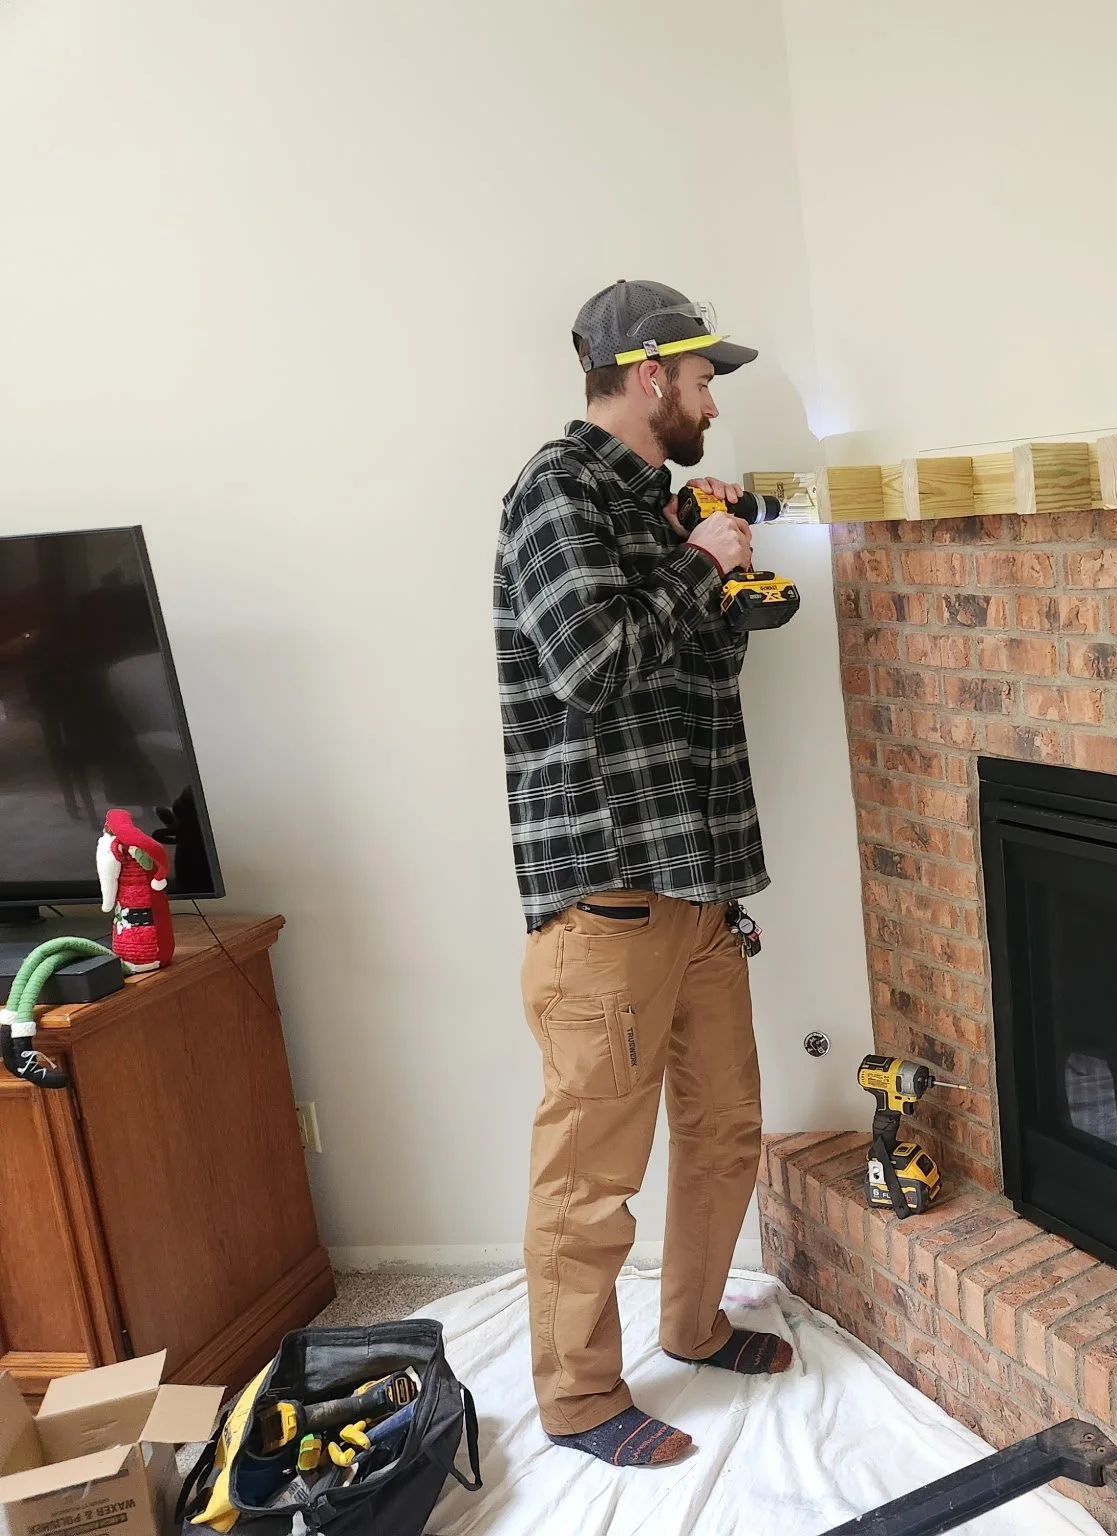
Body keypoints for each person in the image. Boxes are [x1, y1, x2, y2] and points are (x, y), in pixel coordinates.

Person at [492, 280, 792, 1470]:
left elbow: (699, 675)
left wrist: (722, 575)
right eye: (707, 378)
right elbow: (591, 666)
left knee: (725, 1127)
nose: (715, 402)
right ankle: (574, 1400)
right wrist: (695, 562)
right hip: (608, 899)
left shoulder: (658, 508)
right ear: (650, 373)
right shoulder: (554, 494)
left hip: (699, 883)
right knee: (590, 1174)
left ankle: (695, 1323)